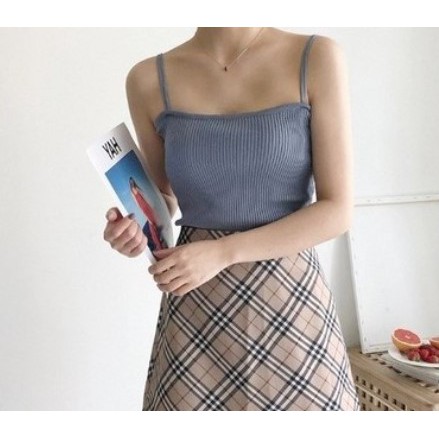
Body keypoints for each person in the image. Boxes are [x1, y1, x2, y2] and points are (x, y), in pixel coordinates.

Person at [103, 27, 361, 411]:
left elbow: (337, 210)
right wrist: (134, 229)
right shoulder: (147, 79)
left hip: (290, 303)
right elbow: (163, 199)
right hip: (197, 308)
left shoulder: (316, 57)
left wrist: (223, 252)